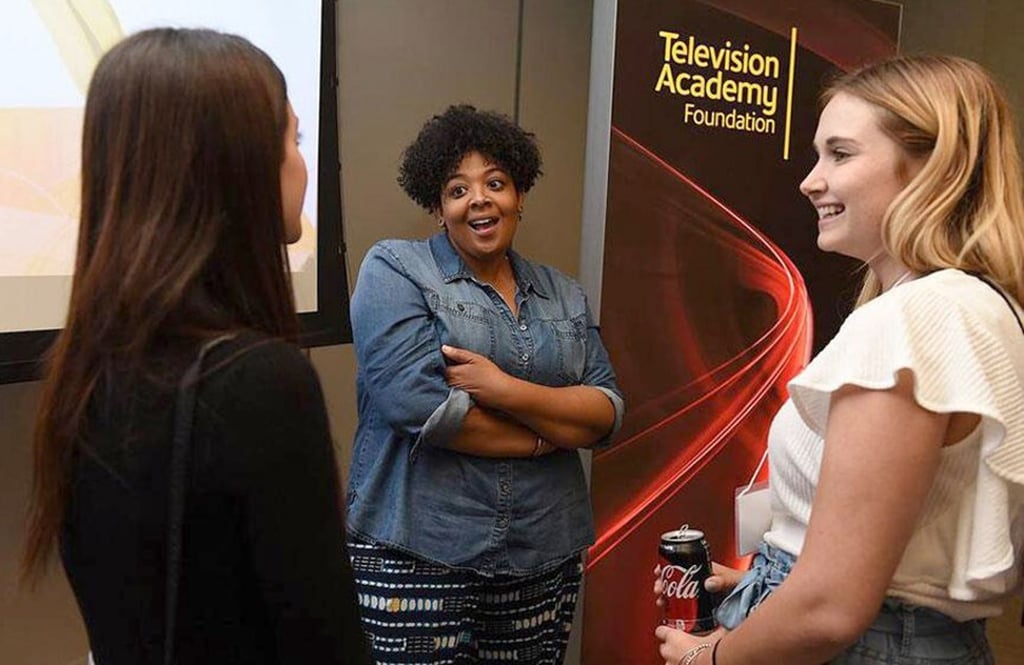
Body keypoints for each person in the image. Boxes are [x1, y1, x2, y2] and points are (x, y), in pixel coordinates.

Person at [656, 54, 1024, 664]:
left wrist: (708, 659)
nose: (810, 179)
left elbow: (832, 609)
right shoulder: (981, 306)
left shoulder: (912, 320)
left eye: (841, 154)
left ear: (930, 167)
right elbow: (905, 557)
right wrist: (764, 586)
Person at [21, 28, 370, 664]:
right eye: (292, 138)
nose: (301, 161)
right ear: (236, 165)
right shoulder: (259, 383)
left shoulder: (83, 370)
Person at [347, 104, 625, 663]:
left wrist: (502, 389)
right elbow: (421, 408)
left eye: (495, 183)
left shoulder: (565, 295)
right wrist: (550, 435)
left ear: (519, 196)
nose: (479, 199)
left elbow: (607, 411)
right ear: (437, 207)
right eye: (457, 189)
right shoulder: (396, 271)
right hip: (417, 550)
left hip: (542, 552)